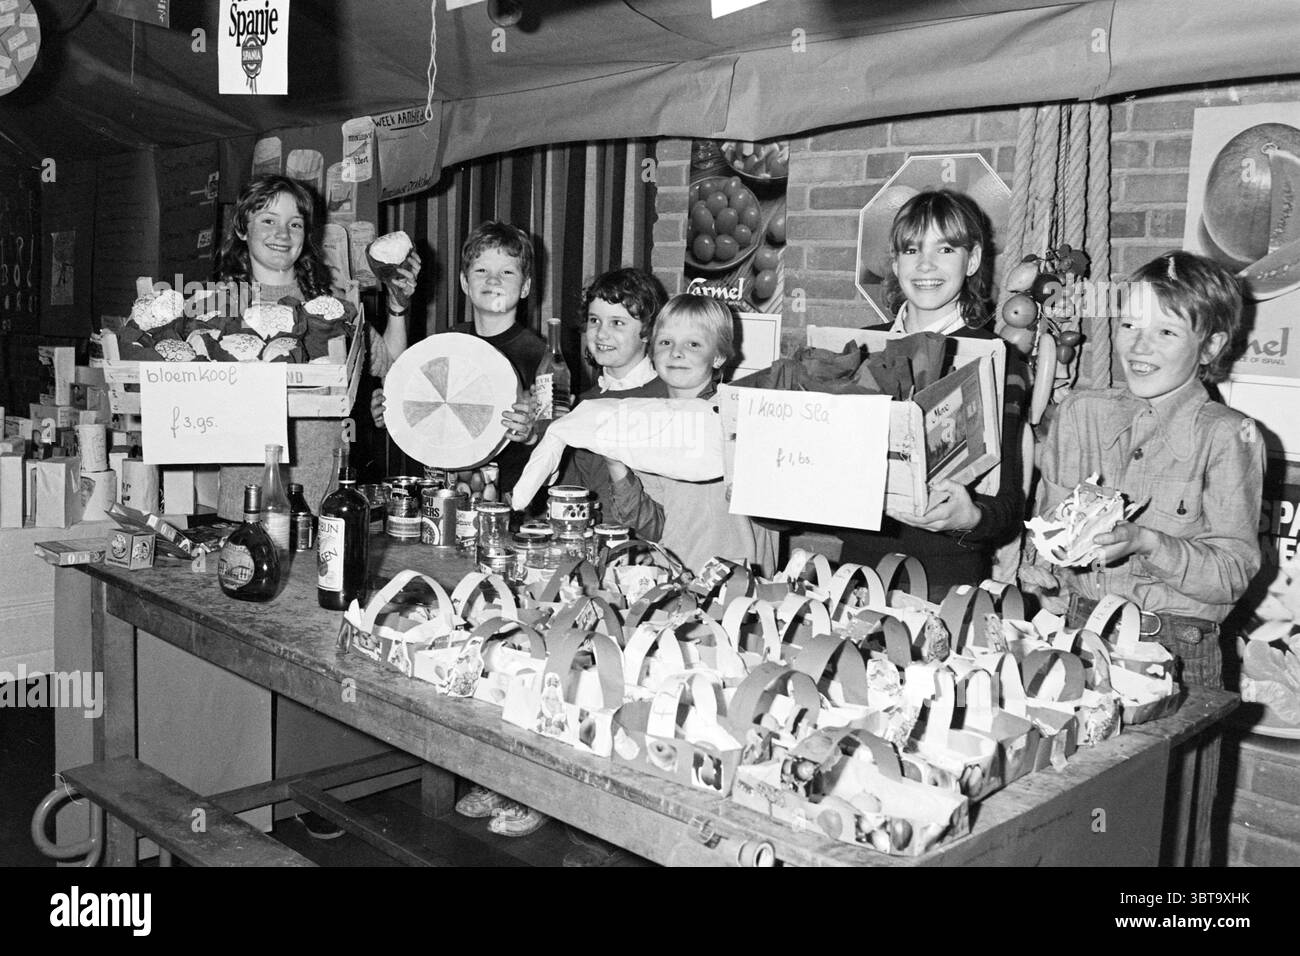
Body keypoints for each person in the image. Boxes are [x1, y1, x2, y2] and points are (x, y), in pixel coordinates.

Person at [1021, 251, 1264, 688]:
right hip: (1080, 634)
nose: (1138, 346)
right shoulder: (1080, 414)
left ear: (1211, 345)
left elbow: (1230, 577)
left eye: (1166, 331)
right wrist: (1050, 580)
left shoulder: (1227, 436)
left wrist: (1147, 543)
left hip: (1177, 653)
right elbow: (1054, 537)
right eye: (1129, 325)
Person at [836, 189, 1028, 601]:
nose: (925, 265)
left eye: (944, 248)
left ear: (972, 260)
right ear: (895, 261)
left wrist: (972, 516)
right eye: (911, 249)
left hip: (949, 581)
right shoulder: (859, 348)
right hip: (857, 575)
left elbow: (1008, 506)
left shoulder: (998, 359)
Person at [214, 174, 419, 518]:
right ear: (241, 229)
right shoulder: (217, 310)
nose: (282, 234)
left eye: (294, 224)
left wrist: (397, 306)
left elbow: (391, 365)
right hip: (247, 499)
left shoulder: (332, 307)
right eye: (268, 220)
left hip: (328, 497)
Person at [603, 294, 779, 575]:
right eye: (665, 342)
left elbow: (782, 513)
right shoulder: (651, 422)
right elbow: (654, 523)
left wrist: (754, 490)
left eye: (693, 344)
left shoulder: (742, 418)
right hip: (676, 580)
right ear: (652, 352)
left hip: (738, 586)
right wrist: (616, 464)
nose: (676, 352)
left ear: (719, 355)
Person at [371, 220, 542, 502]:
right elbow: (404, 386)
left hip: (508, 508)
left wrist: (532, 433)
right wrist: (393, 410)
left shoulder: (542, 357)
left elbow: (554, 442)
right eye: (481, 270)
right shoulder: (446, 344)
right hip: (442, 504)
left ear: (525, 287)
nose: (493, 280)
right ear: (465, 282)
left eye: (507, 272)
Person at [559, 267, 668, 537]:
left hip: (650, 551)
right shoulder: (582, 403)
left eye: (617, 323)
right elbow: (568, 492)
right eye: (595, 320)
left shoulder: (669, 398)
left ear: (647, 332)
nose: (601, 333)